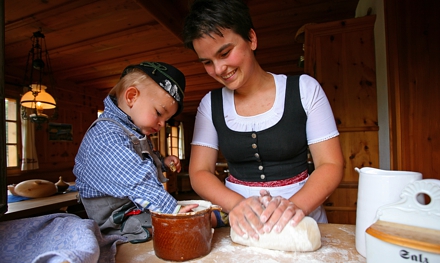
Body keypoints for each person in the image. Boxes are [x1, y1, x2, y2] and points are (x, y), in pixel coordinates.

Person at [182, 0, 344, 240]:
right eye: (207, 62)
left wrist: (294, 207)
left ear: (252, 39)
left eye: (225, 53)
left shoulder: (304, 89)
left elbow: (330, 165)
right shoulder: (210, 104)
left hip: (302, 218)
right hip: (240, 224)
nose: (218, 69)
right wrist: (237, 205)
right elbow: (199, 171)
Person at [74, 61, 197, 243]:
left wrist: (162, 163)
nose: (162, 124)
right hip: (115, 220)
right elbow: (137, 180)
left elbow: (142, 163)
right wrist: (172, 211)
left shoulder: (132, 132)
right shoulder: (106, 135)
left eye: (167, 119)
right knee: (181, 229)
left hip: (134, 207)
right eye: (159, 113)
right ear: (131, 96)